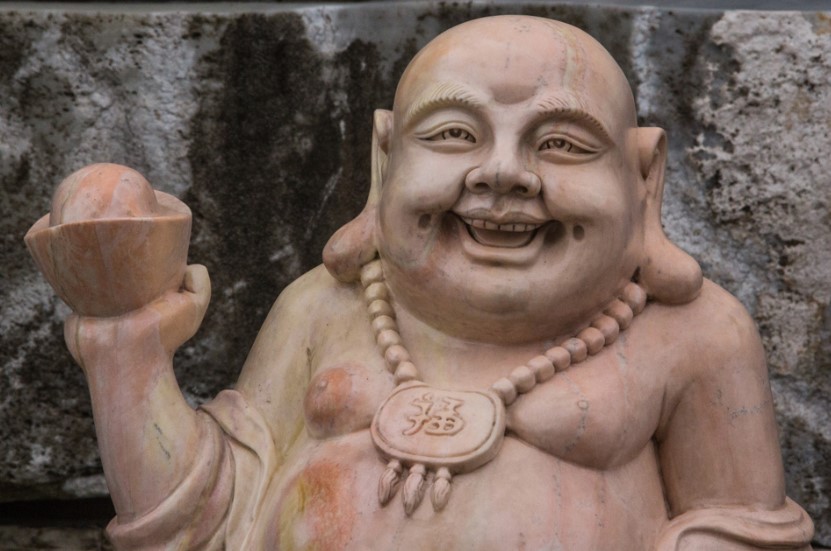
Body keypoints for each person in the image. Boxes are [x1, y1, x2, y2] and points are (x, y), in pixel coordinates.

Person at [59, 15, 814, 550]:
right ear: (385, 159)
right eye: (454, 133)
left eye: (560, 142)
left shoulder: (693, 335)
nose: (503, 173)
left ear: (642, 175)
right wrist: (126, 345)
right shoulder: (322, 307)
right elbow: (196, 519)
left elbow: (741, 530)